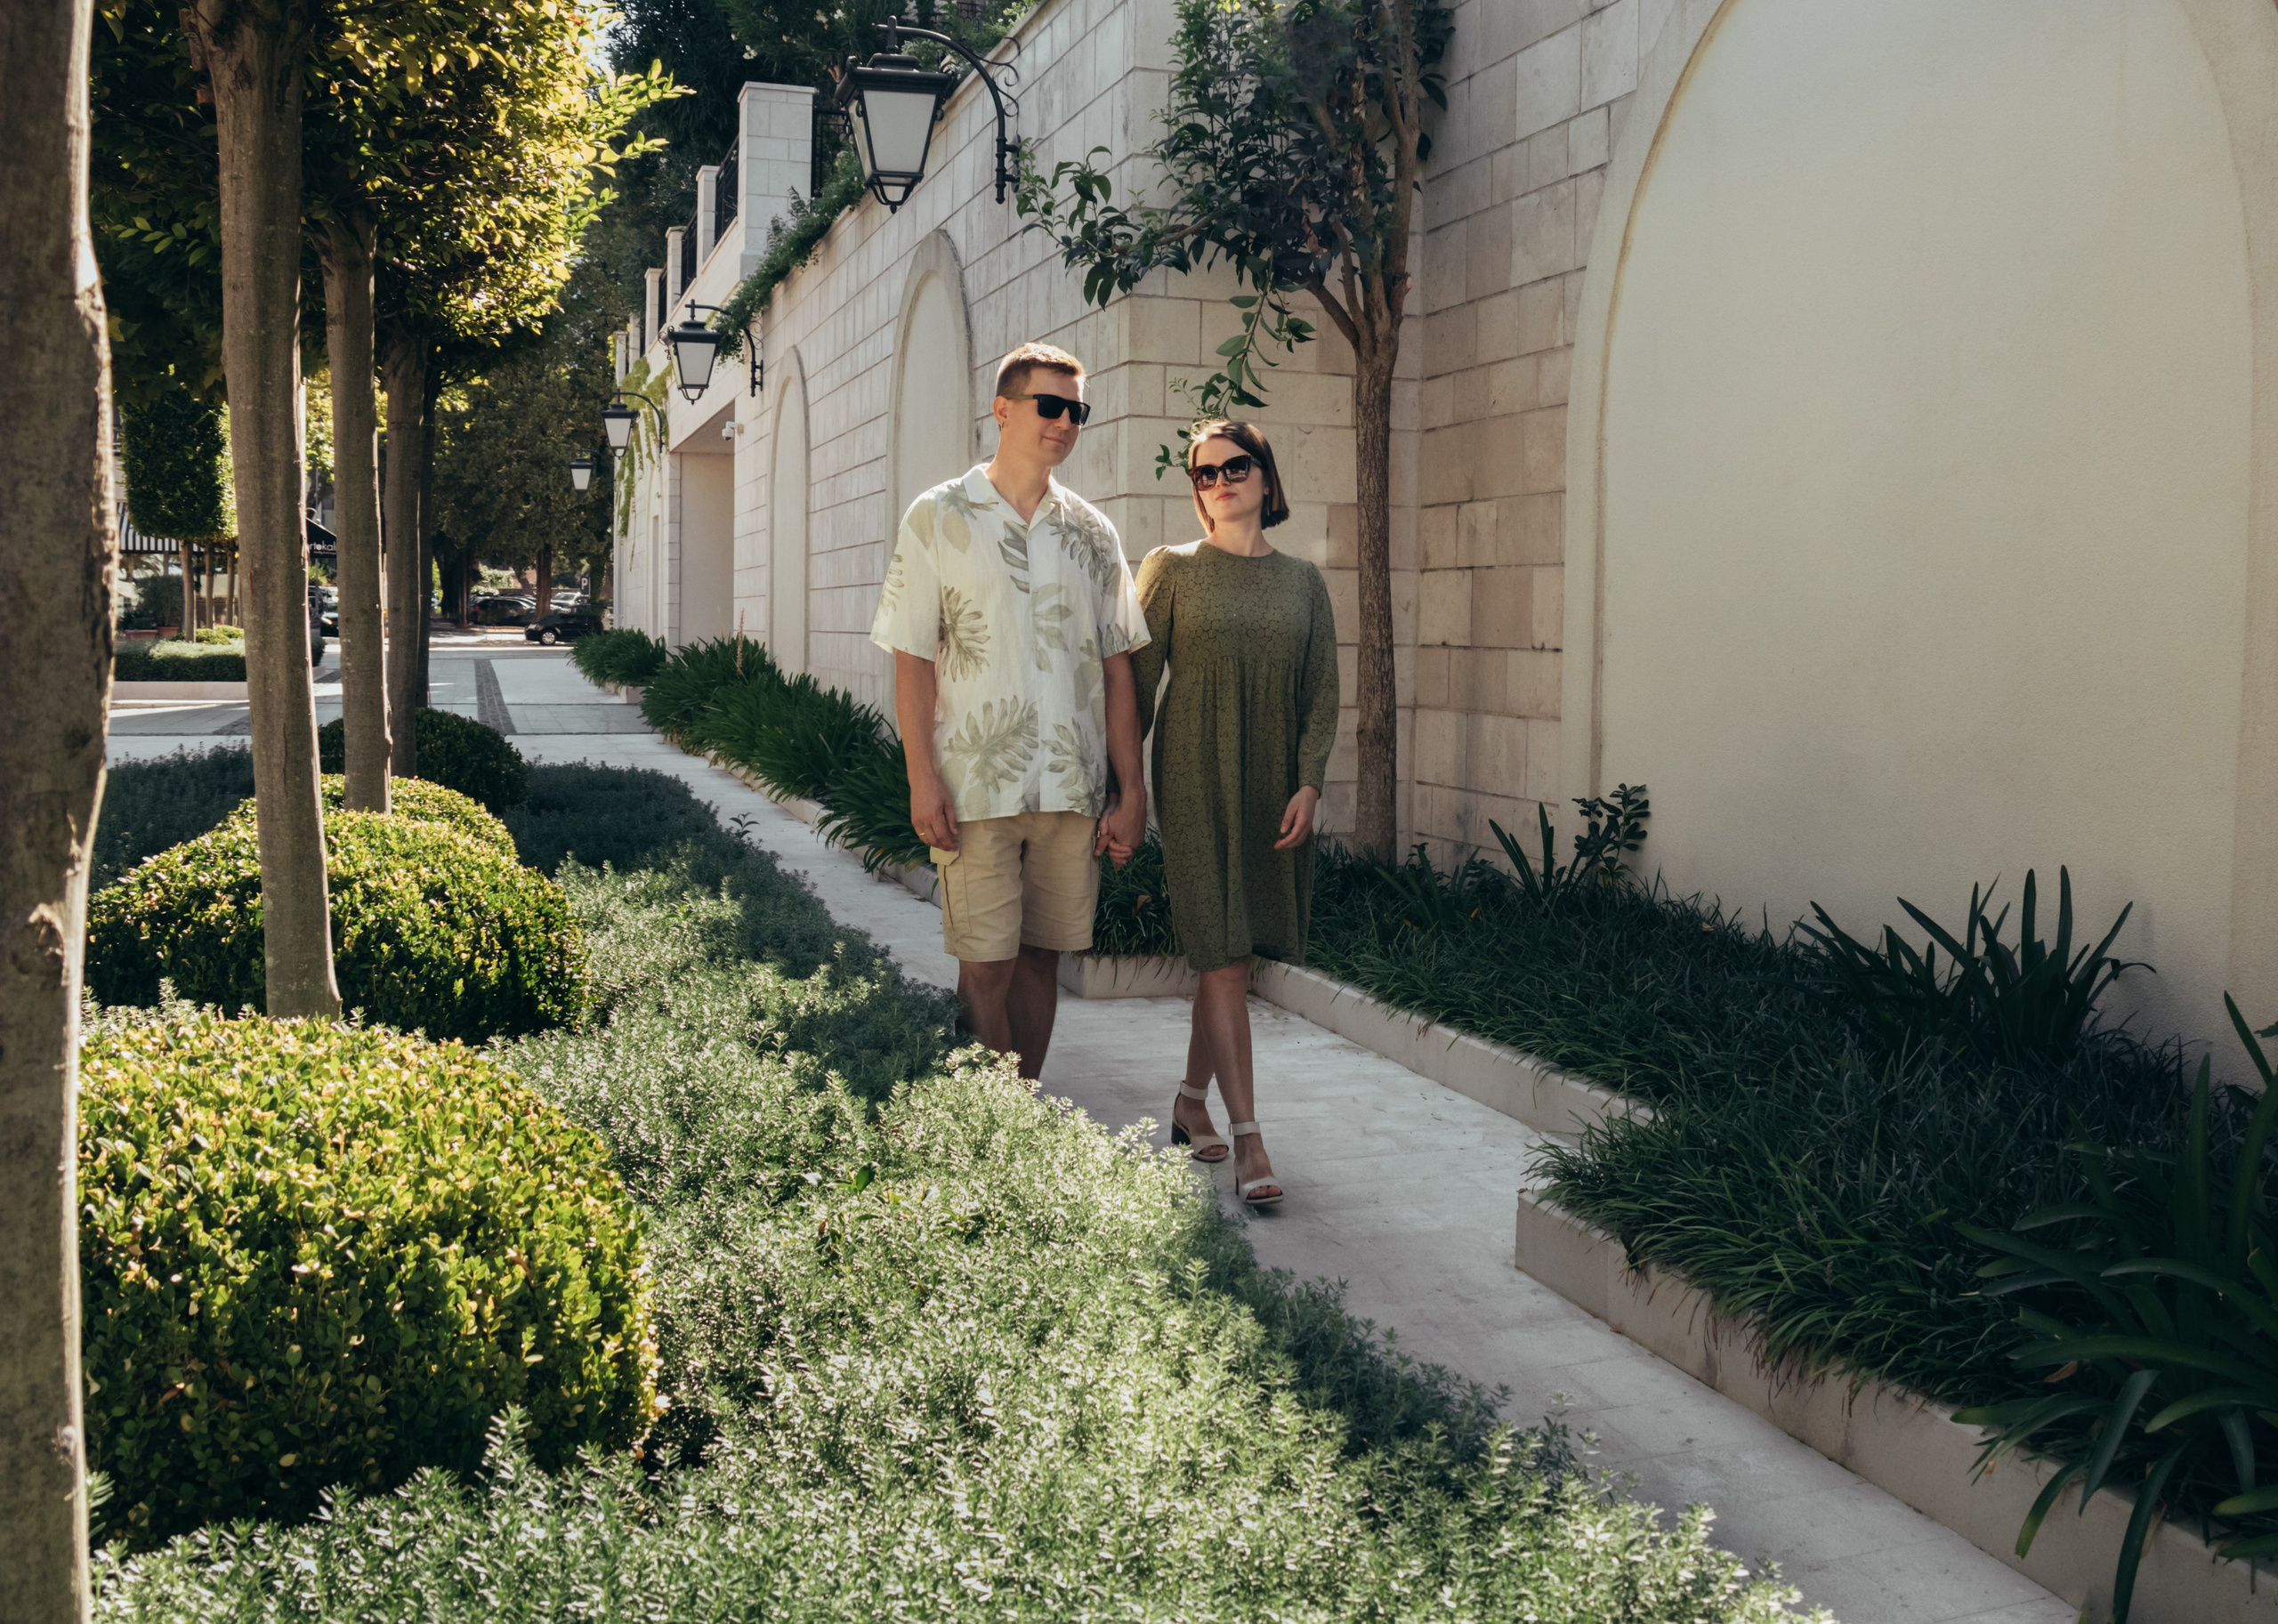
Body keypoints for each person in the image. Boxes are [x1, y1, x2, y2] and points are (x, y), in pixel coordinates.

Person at [871, 343, 1149, 1077]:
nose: (1065, 422)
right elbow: (912, 658)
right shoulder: (936, 516)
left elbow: (1119, 668)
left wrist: (1132, 789)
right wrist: (920, 778)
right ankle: (990, 1129)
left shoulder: (1094, 532)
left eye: (1077, 410)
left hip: (1071, 785)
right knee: (985, 963)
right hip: (974, 784)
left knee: (1040, 959)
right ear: (1003, 409)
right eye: (1050, 405)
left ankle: (1024, 1116)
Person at [1126, 421, 1339, 1208]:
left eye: (1234, 466)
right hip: (1191, 781)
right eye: (1204, 472)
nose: (1219, 481)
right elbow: (1135, 689)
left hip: (1270, 788)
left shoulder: (1304, 583)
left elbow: (1322, 695)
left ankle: (1189, 1102)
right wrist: (1120, 790)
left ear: (1266, 477)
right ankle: (1249, 1139)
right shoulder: (1171, 569)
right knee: (1218, 955)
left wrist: (1309, 784)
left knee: (1233, 960)